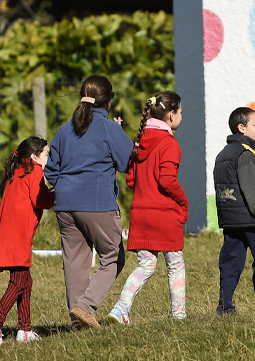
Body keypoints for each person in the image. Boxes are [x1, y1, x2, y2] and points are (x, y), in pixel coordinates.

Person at [43, 75, 134, 330]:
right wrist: (119, 132)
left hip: (64, 204)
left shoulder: (63, 129)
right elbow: (129, 163)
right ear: (109, 100)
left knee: (75, 261)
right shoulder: (109, 128)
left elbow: (50, 172)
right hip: (97, 204)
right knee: (113, 257)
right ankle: (86, 307)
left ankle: (79, 321)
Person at [108, 91, 189, 325]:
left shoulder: (139, 143)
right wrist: (183, 201)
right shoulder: (170, 144)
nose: (181, 117)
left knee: (146, 264)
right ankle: (179, 315)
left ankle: (121, 308)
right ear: (171, 115)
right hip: (165, 215)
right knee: (175, 264)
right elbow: (167, 180)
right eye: (181, 113)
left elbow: (131, 180)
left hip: (140, 215)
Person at [0, 137, 55, 344]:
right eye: (47, 154)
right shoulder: (36, 171)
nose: (49, 158)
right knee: (18, 282)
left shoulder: (19, 170)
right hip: (19, 234)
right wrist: (59, 195)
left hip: (9, 231)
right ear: (34, 156)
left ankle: (25, 330)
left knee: (26, 281)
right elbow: (40, 199)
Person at [212, 106, 255, 315]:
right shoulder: (246, 154)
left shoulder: (222, 154)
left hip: (230, 221)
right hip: (251, 220)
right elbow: (251, 192)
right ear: (241, 128)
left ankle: (225, 306)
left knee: (231, 264)